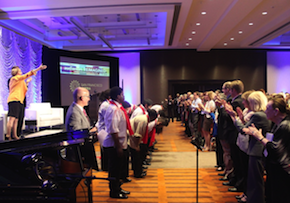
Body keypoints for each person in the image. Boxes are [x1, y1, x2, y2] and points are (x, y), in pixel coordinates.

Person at [226, 91, 271, 203]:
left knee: (255, 179)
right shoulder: (261, 114)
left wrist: (234, 117)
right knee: (254, 177)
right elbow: (245, 128)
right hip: (256, 149)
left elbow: (243, 129)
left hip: (256, 150)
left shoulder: (258, 115)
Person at [245, 96, 290, 203]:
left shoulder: (284, 125)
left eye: (268, 108)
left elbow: (275, 148)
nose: (265, 110)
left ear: (276, 111)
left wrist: (259, 136)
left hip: (282, 170)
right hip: (276, 168)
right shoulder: (278, 124)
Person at [103, 86, 132, 199]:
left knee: (118, 169)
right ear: (118, 96)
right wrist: (118, 147)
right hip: (115, 145)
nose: (124, 96)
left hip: (120, 143)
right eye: (122, 94)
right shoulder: (113, 109)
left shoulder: (118, 107)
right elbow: (113, 129)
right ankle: (114, 192)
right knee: (114, 169)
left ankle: (118, 188)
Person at [6, 64, 47, 140]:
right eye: (20, 70)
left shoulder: (20, 81)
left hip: (19, 100)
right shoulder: (14, 78)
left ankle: (15, 135)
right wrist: (38, 68)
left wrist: (27, 83)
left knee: (16, 119)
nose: (21, 72)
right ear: (17, 72)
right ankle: (8, 135)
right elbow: (27, 74)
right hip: (14, 100)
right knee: (12, 119)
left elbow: (24, 89)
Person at [65, 87, 98, 170]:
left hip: (84, 146)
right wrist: (91, 131)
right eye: (88, 96)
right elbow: (76, 133)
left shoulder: (79, 109)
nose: (89, 99)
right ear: (81, 98)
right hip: (80, 150)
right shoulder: (74, 112)